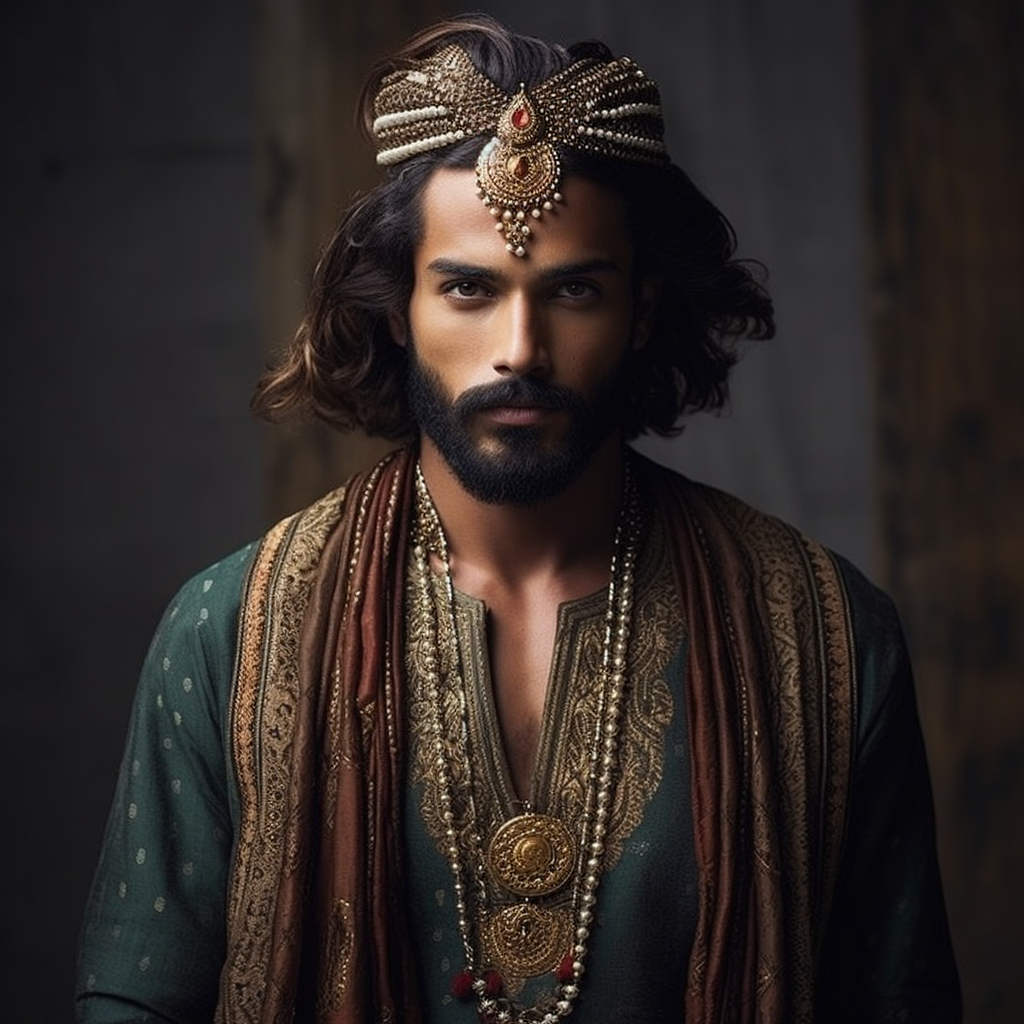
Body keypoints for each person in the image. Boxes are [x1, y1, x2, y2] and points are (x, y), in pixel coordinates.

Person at [76, 14, 961, 1024]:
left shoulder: (824, 634)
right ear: (397, 310)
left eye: (573, 290)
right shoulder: (228, 633)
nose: (521, 348)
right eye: (467, 289)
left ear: (639, 308)